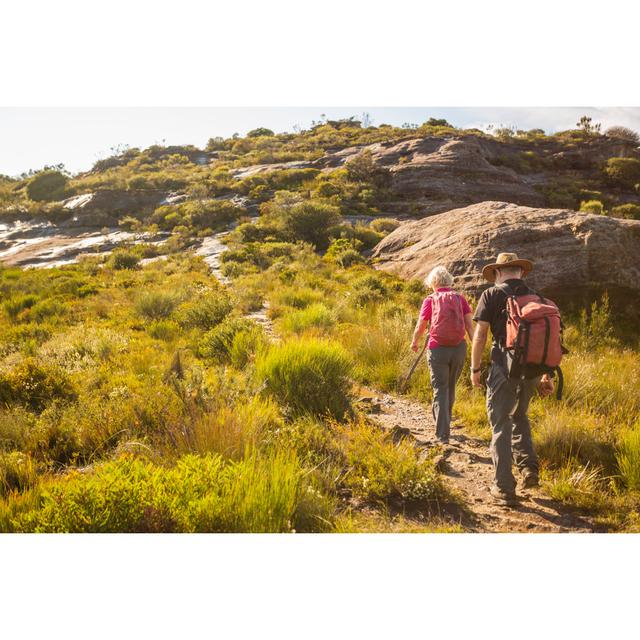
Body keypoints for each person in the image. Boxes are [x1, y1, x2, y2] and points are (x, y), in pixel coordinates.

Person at [470, 252, 553, 505]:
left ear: (497, 273)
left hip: (503, 366)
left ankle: (504, 488)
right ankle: (529, 469)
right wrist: (546, 374)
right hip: (534, 370)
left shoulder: (491, 294)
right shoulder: (537, 297)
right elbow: (548, 338)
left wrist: (475, 369)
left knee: (500, 422)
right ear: (520, 272)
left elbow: (480, 335)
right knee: (520, 416)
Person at [411, 265, 474, 444]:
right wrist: (475, 346)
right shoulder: (460, 299)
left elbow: (421, 326)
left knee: (440, 389)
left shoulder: (430, 300)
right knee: (450, 387)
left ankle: (442, 435)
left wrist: (414, 342)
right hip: (458, 348)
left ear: (433, 282)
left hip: (437, 348)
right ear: (449, 281)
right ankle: (443, 425)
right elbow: (470, 326)